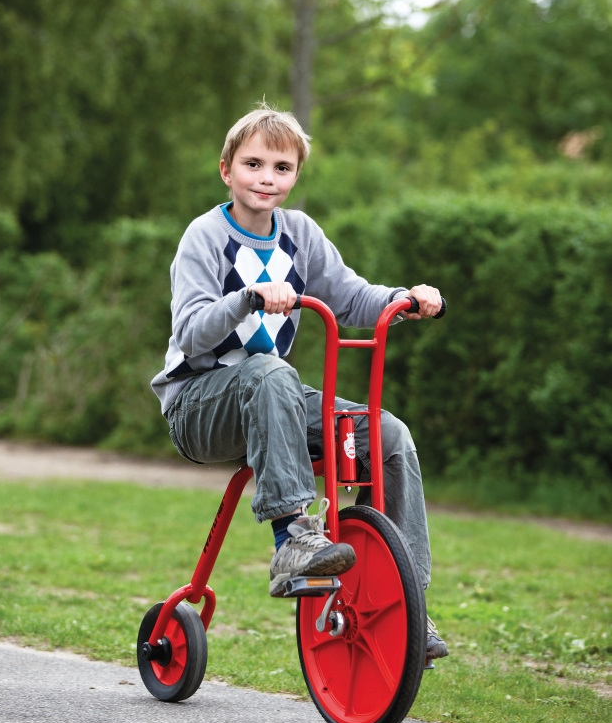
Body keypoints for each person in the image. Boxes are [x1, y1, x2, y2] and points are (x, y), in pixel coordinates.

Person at [151, 106, 449, 662]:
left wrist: (404, 299)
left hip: (274, 397)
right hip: (198, 404)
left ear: (294, 175)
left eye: (282, 167)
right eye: (253, 164)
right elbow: (190, 333)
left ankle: (403, 599)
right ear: (226, 170)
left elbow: (351, 296)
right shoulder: (205, 236)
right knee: (270, 371)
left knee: (386, 434)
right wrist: (247, 298)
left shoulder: (300, 234)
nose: (267, 178)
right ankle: (292, 539)